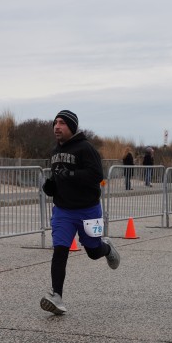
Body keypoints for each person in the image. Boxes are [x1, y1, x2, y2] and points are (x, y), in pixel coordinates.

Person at [40, 110, 120, 316]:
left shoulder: (86, 148)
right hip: (63, 211)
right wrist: (51, 186)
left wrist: (71, 174)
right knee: (60, 250)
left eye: (62, 123)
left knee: (93, 252)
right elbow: (58, 177)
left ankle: (107, 248)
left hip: (89, 210)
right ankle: (56, 296)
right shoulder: (54, 151)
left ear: (72, 127)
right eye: (55, 123)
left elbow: (96, 175)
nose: (57, 126)